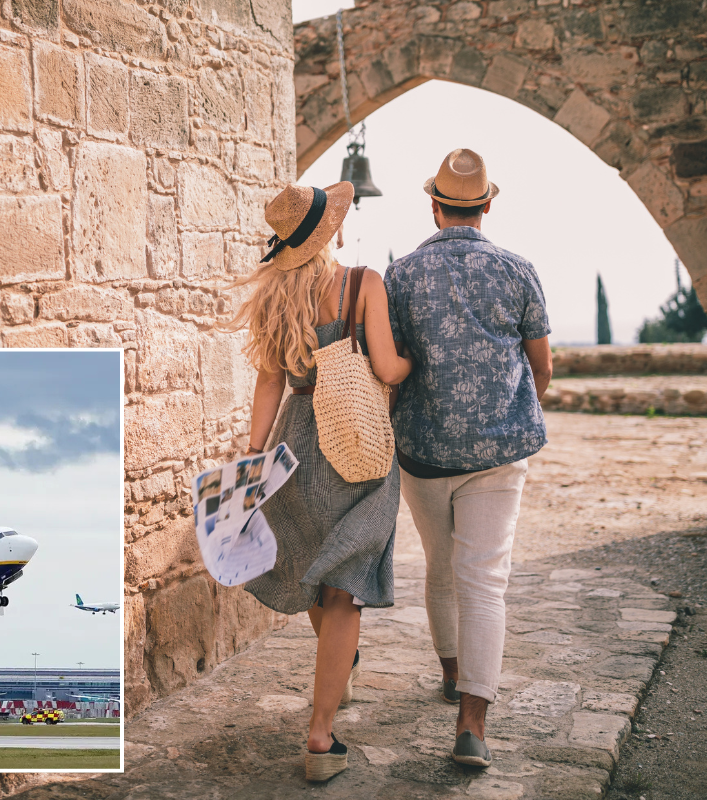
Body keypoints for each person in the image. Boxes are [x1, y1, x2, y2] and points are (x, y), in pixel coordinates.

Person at [221, 181, 414, 782]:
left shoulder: (278, 301)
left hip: (295, 450)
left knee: (313, 566)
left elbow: (268, 386)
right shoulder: (363, 285)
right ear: (330, 233)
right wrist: (410, 364)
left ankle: (336, 676)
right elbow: (386, 366)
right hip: (356, 448)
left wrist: (253, 459)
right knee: (344, 585)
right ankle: (319, 734)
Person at [385, 148, 553, 768]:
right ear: (487, 204)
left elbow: (393, 370)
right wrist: (505, 417)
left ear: (434, 206)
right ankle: (472, 724)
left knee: (439, 566)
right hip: (499, 452)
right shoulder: (518, 270)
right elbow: (542, 369)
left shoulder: (400, 275)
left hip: (424, 452)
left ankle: (453, 674)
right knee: (485, 581)